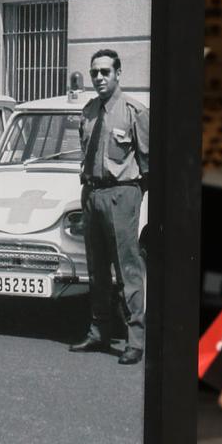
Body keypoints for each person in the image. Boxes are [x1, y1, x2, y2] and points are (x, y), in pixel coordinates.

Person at [69, 49, 150, 366]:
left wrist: (132, 198)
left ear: (118, 74)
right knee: (97, 269)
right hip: (92, 193)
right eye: (95, 73)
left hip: (122, 193)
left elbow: (148, 164)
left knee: (128, 269)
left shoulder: (135, 112)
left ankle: (135, 339)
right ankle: (99, 331)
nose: (99, 78)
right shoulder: (88, 111)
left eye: (105, 72)